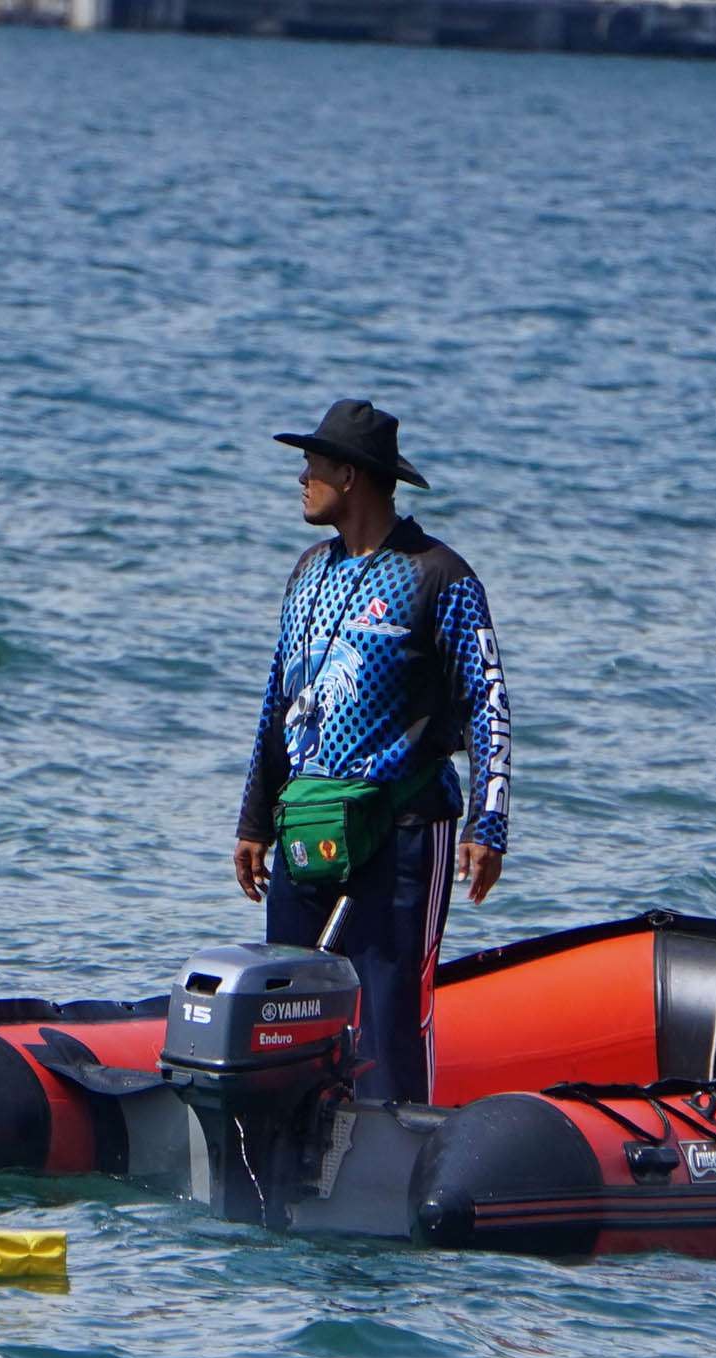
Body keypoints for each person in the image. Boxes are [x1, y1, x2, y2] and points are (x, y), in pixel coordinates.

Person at [232, 399, 511, 1107]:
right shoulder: (306, 574)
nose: (301, 477)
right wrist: (255, 818)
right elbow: (278, 697)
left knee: (388, 1024)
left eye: (314, 464)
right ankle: (291, 1166)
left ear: (351, 476)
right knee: (288, 1012)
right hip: (307, 828)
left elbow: (490, 703)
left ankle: (397, 1164)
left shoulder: (438, 577)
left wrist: (489, 822)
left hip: (407, 834)